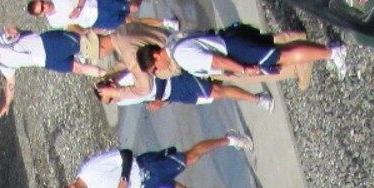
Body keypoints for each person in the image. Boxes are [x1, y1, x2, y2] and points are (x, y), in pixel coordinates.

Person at [57, 137, 256, 188]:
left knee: (191, 157)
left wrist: (124, 182)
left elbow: (125, 154)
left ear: (71, 186)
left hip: (147, 169)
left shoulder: (91, 171)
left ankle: (229, 140)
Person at [0, 29, 105, 116]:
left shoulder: (1, 42)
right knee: (79, 68)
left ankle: (108, 34)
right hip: (46, 62)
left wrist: (12, 30)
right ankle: (107, 73)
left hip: (47, 44)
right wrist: (7, 103)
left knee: (83, 42)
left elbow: (13, 32)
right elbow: (10, 82)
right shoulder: (3, 65)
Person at [154, 27, 342, 82]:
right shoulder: (173, 41)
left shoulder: (181, 56)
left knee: (283, 56)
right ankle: (329, 51)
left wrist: (244, 69)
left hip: (234, 51)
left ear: (156, 56)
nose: (159, 71)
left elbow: (216, 61)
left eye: (155, 69)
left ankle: (333, 52)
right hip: (230, 39)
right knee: (283, 51)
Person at [98, 67, 274, 111]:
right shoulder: (122, 101)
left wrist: (159, 99)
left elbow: (152, 79)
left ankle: (258, 98)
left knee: (215, 90)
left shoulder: (126, 77)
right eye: (109, 102)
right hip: (174, 94)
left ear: (112, 86)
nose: (114, 101)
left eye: (110, 97)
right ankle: (252, 82)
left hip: (173, 81)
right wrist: (163, 102)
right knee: (213, 93)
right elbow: (148, 97)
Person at [28, 0, 140, 32]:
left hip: (98, 1)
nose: (46, 5)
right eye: (42, 8)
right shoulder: (54, 22)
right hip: (96, 20)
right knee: (128, 22)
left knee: (133, 7)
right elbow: (70, 26)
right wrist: (88, 32)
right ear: (41, 15)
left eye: (42, 2)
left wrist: (79, 7)